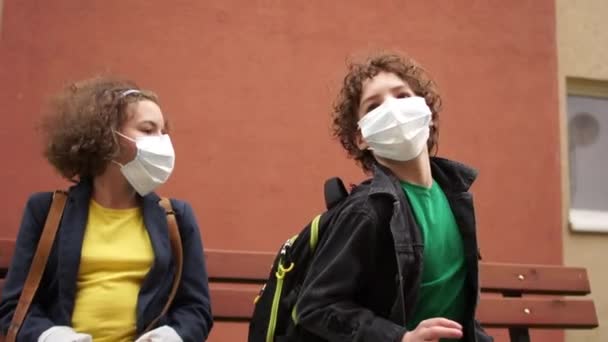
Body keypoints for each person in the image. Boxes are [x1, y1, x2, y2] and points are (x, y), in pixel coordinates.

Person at [293, 53, 493, 341]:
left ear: (428, 113)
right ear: (362, 137)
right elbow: (315, 306)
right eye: (374, 106)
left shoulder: (454, 196)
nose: (393, 110)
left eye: (402, 96)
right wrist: (399, 338)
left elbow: (452, 307)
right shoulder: (366, 211)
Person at [0, 77, 213, 342]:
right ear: (106, 136)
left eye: (163, 131)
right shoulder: (45, 211)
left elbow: (196, 309)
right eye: (148, 130)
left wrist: (173, 336)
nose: (162, 142)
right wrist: (51, 336)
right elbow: (15, 309)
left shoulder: (176, 217)